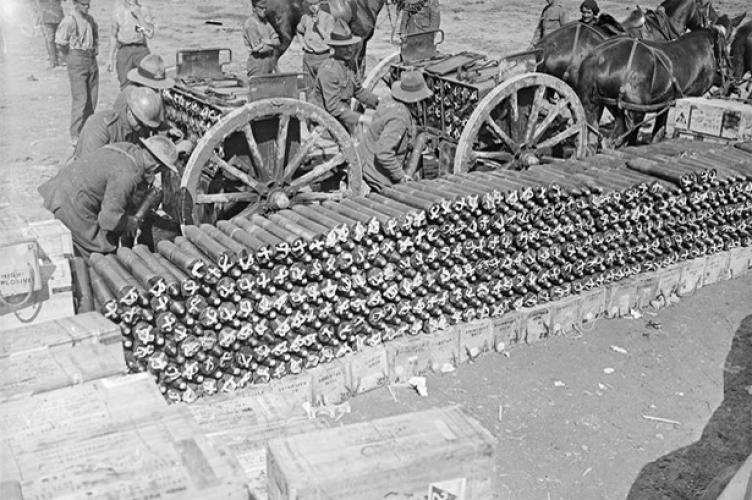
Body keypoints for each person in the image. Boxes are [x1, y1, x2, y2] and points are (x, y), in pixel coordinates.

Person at [39, 136, 177, 258]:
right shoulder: (128, 174)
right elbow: (108, 220)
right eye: (162, 169)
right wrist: (129, 223)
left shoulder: (126, 149)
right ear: (157, 166)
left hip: (59, 189)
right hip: (71, 205)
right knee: (101, 256)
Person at [359, 70, 432, 191]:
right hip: (374, 174)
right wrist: (401, 176)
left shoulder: (389, 100)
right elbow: (383, 153)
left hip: (365, 159)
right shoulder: (399, 118)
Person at [312, 19, 379, 132]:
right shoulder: (328, 70)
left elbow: (358, 91)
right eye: (344, 47)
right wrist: (362, 118)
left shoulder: (349, 65)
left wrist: (379, 101)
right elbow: (333, 107)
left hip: (343, 119)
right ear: (335, 48)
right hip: (326, 126)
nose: (349, 50)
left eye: (351, 46)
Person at [73, 86, 163, 160]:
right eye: (140, 122)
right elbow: (89, 166)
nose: (142, 128)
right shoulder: (100, 126)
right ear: (129, 110)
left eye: (146, 125)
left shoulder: (137, 126)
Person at [55, 0, 99, 146]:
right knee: (80, 99)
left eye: (88, 4)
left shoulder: (90, 20)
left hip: (91, 59)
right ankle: (75, 134)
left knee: (92, 99)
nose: (87, 7)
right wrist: (71, 58)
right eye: (84, 4)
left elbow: (96, 37)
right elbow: (60, 42)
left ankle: (87, 132)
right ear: (76, 4)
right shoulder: (69, 21)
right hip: (76, 58)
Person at [107, 0, 154, 89]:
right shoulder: (117, 12)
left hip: (141, 49)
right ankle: (127, 102)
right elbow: (113, 36)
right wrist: (110, 59)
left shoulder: (144, 10)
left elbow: (150, 33)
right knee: (125, 85)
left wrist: (139, 16)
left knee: (147, 83)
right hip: (124, 50)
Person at [296, 0, 334, 90]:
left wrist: (318, 26)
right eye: (310, 5)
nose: (313, 7)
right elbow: (299, 31)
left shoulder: (328, 18)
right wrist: (303, 44)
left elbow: (329, 39)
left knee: (324, 87)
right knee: (309, 87)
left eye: (315, 4)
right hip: (309, 57)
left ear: (319, 4)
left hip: (323, 57)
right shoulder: (305, 17)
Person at [243, 0, 280, 77]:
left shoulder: (265, 22)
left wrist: (266, 42)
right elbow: (259, 50)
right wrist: (272, 44)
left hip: (269, 62)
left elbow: (278, 41)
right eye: (261, 8)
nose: (264, 10)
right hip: (257, 63)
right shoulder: (251, 24)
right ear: (254, 8)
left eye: (265, 8)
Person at [38, 0, 64, 68]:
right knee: (51, 39)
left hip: (56, 16)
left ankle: (58, 60)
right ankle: (53, 61)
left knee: (56, 39)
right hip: (47, 16)